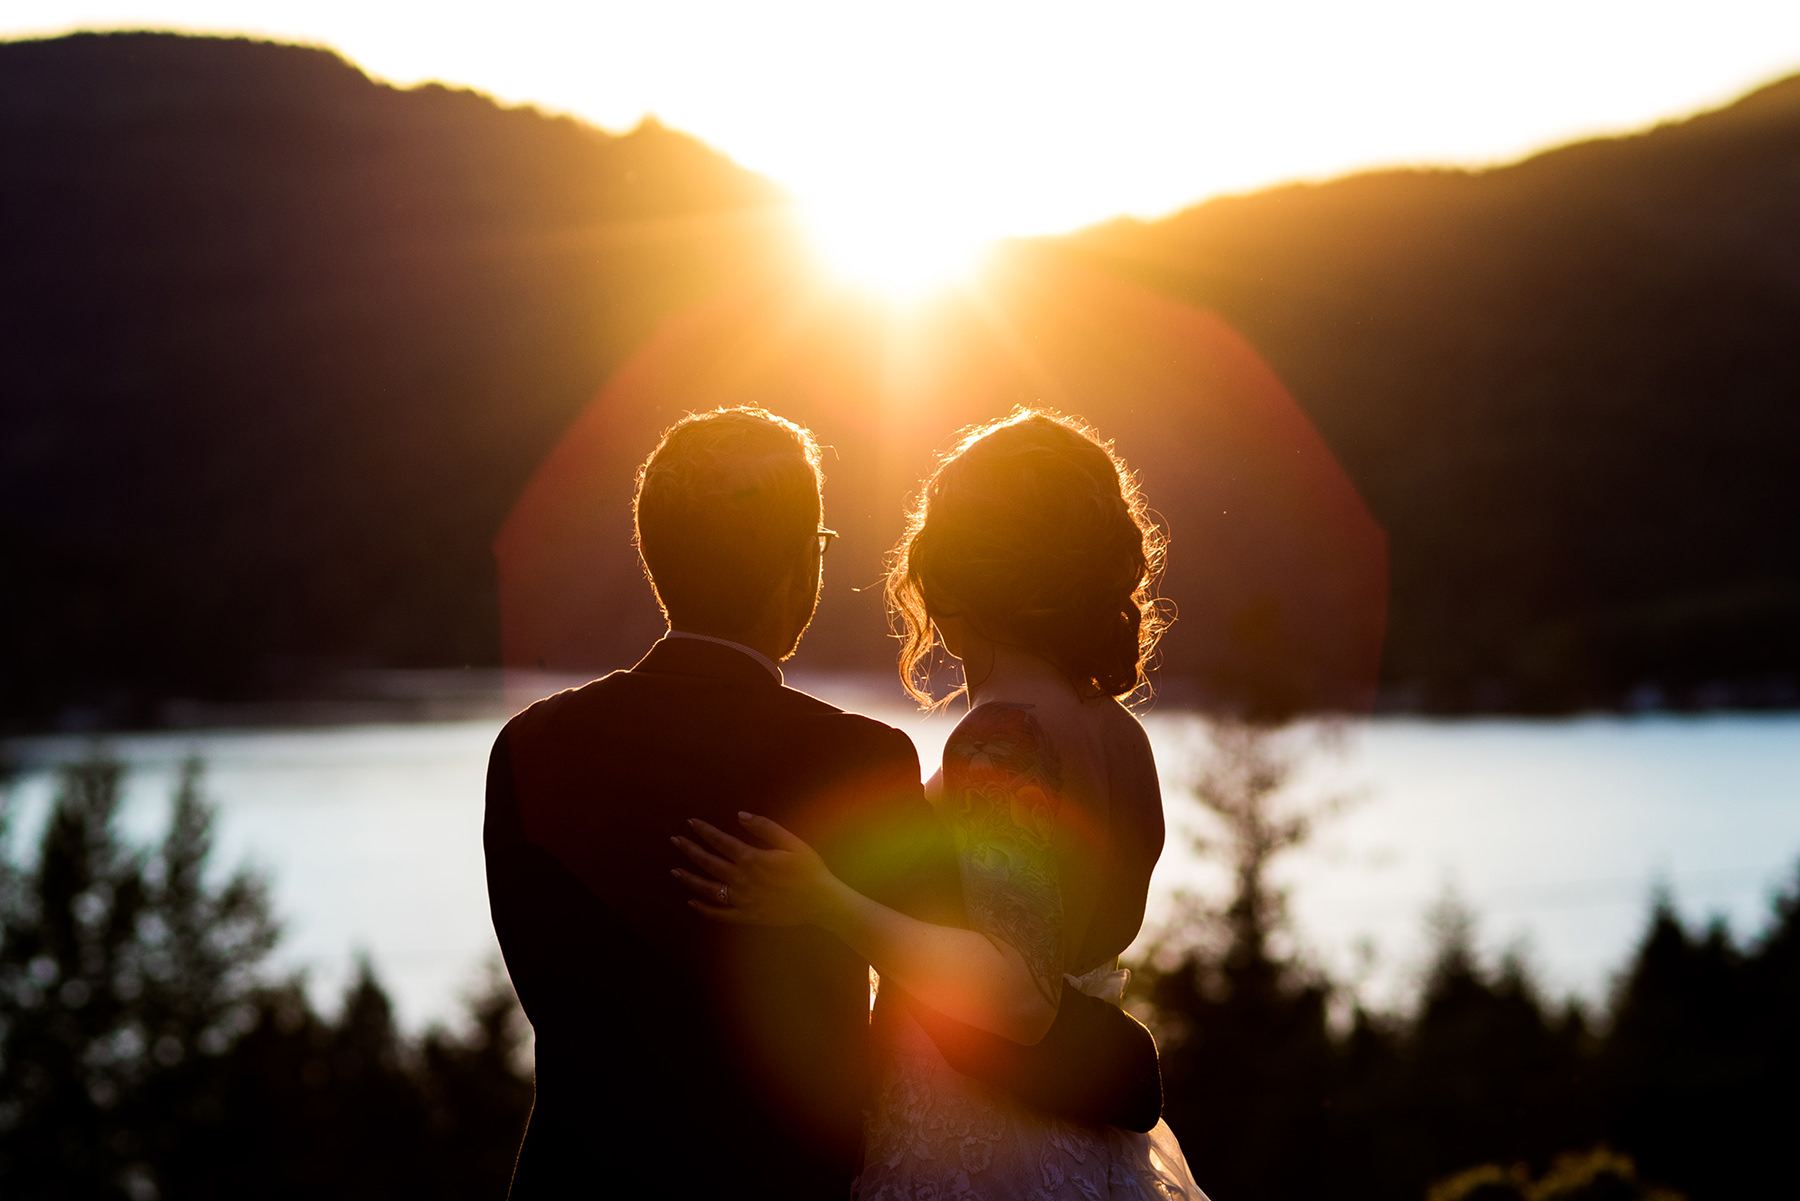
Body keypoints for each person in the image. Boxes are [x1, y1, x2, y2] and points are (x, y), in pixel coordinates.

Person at [484, 407, 1161, 1200]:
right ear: (803, 564)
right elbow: (1001, 1000)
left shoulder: (526, 749)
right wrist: (1127, 1064)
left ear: (653, 554)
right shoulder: (859, 762)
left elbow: (553, 986)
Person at [675, 410, 1208, 1199]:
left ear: (957, 570)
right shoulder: (1120, 735)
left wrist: (823, 898)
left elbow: (1019, 994)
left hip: (983, 1137)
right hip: (1083, 1141)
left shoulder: (1000, 739)